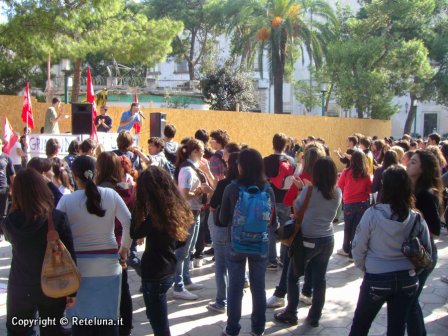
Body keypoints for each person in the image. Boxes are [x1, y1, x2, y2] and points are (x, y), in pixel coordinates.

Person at [349, 165, 431, 336]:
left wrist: (367, 267)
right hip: (407, 279)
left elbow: (358, 248)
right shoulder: (416, 217)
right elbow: (426, 252)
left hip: (376, 278)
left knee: (360, 326)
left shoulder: (372, 214)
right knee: (397, 329)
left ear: (384, 187)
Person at [56, 155, 132, 336]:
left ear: (74, 176)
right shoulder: (111, 195)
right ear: (96, 173)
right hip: (108, 264)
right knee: (108, 318)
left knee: (80, 321)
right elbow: (129, 221)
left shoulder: (66, 201)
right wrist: (124, 250)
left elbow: (57, 230)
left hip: (77, 267)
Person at [2, 168, 76, 336]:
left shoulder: (10, 223)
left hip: (21, 285)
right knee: (52, 329)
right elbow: (70, 253)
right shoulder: (57, 218)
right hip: (53, 283)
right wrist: (72, 291)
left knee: (17, 330)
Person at [274, 157, 342, 327]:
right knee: (320, 280)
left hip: (307, 239)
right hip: (327, 239)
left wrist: (300, 190)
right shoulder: (337, 192)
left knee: (293, 276)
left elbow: (297, 209)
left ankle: (291, 313)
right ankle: (314, 317)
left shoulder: (309, 191)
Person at [220, 148, 277, 336]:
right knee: (258, 287)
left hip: (235, 244)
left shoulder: (231, 188)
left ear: (241, 166)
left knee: (235, 287)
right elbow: (273, 223)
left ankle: (232, 329)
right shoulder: (268, 189)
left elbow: (221, 219)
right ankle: (258, 330)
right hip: (260, 245)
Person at [131, 166, 193, 335]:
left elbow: (134, 232)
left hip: (154, 272)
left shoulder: (155, 218)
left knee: (158, 322)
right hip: (168, 268)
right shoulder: (175, 209)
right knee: (155, 316)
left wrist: (138, 206)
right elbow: (182, 241)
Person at [268, 143, 326, 309]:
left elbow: (288, 201)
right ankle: (307, 293)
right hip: (322, 231)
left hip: (302, 227)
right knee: (313, 268)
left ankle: (281, 295)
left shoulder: (303, 178)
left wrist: (299, 190)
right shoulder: (328, 182)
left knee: (288, 262)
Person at [96, 151, 135, 336]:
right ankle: (125, 326)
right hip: (121, 244)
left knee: (104, 290)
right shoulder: (127, 189)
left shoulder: (100, 192)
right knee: (123, 288)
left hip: (103, 245)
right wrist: (125, 248)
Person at [406, 150, 442, 336]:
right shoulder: (409, 188)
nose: (407, 164)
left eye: (413, 162)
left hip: (422, 255)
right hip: (410, 254)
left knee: (410, 302)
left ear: (423, 169)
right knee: (409, 301)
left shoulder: (427, 194)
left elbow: (435, 229)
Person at [173, 139, 213, 300]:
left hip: (194, 212)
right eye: (202, 150)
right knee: (182, 251)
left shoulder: (192, 168)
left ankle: (186, 280)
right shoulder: (187, 170)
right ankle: (178, 285)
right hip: (187, 212)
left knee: (188, 250)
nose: (204, 153)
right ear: (195, 151)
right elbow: (184, 194)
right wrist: (200, 191)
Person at [207, 152, 239, 313]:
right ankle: (235, 299)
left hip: (222, 229)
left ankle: (222, 301)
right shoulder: (251, 184)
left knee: (221, 267)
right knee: (236, 267)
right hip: (241, 232)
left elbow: (212, 206)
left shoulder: (224, 184)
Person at [263, 133, 296, 271]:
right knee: (285, 227)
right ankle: (284, 258)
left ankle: (271, 260)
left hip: (270, 199)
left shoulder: (266, 160)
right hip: (287, 199)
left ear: (273, 143)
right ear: (285, 145)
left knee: (270, 229)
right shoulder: (291, 161)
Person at [337, 150, 371, 260]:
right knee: (357, 229)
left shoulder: (346, 172)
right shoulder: (366, 173)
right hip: (362, 203)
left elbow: (340, 185)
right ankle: (353, 252)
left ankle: (346, 249)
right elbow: (369, 189)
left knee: (347, 227)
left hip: (349, 203)